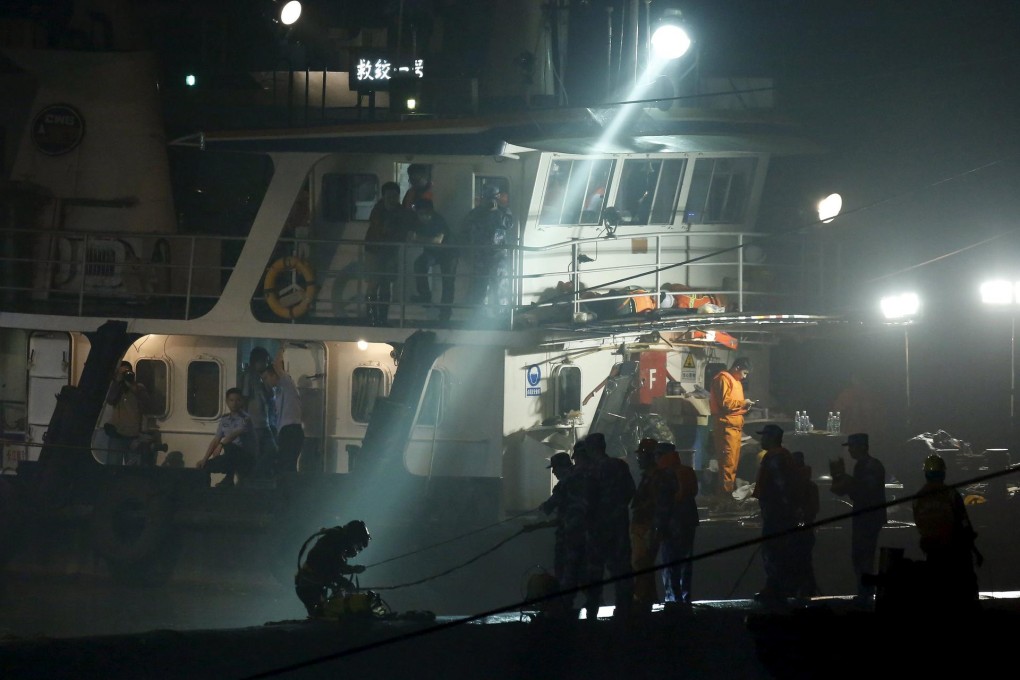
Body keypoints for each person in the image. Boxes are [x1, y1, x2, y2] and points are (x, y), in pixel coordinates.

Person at [574, 432, 636, 619]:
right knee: (621, 567)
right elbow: (631, 491)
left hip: (597, 527)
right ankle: (624, 604)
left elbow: (586, 498)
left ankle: (593, 604)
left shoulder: (591, 470)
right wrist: (618, 508)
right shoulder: (619, 466)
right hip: (619, 524)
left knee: (595, 567)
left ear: (591, 449)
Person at [912, 453, 982, 608]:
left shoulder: (918, 497)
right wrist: (975, 550)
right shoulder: (951, 494)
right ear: (943, 473)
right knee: (962, 587)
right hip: (953, 547)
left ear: (926, 474)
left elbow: (919, 523)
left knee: (936, 587)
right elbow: (963, 522)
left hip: (931, 548)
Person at [527, 451, 589, 617]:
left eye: (554, 468)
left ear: (562, 467)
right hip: (585, 535)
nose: (553, 472)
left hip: (569, 538)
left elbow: (549, 507)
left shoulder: (565, 484)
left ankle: (563, 609)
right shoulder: (582, 479)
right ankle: (593, 601)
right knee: (582, 571)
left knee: (566, 573)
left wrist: (538, 517)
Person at [829, 432, 887, 608]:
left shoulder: (867, 466)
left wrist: (844, 480)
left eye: (852, 447)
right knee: (863, 556)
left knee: (863, 556)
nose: (850, 451)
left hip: (867, 517)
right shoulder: (867, 465)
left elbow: (864, 492)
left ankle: (866, 593)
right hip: (868, 516)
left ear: (862, 447)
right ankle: (865, 591)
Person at [752, 424, 799, 605]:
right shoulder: (782, 456)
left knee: (773, 552)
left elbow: (782, 487)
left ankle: (775, 589)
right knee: (779, 551)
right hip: (780, 513)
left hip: (777, 514)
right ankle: (780, 588)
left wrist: (782, 510)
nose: (761, 440)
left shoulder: (775, 458)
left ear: (771, 438)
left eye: (764, 436)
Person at [652, 442, 700, 606]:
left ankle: (673, 600)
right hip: (689, 521)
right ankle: (685, 598)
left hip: (672, 524)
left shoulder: (664, 474)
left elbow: (663, 504)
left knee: (670, 563)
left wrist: (660, 526)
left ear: (661, 455)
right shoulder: (686, 470)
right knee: (685, 563)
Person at [294, 520, 371, 617]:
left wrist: (353, 569)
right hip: (309, 587)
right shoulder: (334, 544)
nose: (356, 550)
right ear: (353, 537)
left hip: (312, 585)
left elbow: (335, 567)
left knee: (326, 613)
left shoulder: (336, 542)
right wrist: (346, 584)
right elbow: (331, 572)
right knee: (322, 616)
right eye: (358, 545)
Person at [365, 181, 415, 326]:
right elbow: (381, 229)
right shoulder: (378, 211)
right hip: (374, 251)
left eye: (395, 195)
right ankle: (372, 319)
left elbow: (406, 226)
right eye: (390, 195)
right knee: (374, 282)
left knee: (386, 283)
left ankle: (382, 318)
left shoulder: (400, 211)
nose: (393, 198)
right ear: (383, 196)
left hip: (390, 251)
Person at [463, 183, 514, 319]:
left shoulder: (503, 212)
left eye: (494, 198)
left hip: (498, 254)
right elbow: (467, 229)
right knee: (481, 285)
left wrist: (496, 212)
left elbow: (509, 224)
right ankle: (480, 316)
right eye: (488, 198)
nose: (491, 201)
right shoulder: (475, 213)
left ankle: (502, 315)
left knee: (500, 284)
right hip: (480, 254)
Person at [710, 357, 753, 506]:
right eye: (744, 372)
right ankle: (724, 499)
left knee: (733, 464)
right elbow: (725, 403)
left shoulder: (737, 382)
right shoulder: (723, 379)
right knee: (727, 464)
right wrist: (743, 403)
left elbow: (733, 405)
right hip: (726, 427)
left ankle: (726, 496)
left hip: (734, 427)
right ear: (737, 367)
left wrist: (744, 407)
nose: (744, 376)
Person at [410, 198, 457, 323]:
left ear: (431, 212)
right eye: (421, 214)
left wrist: (419, 238)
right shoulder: (417, 221)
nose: (424, 217)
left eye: (426, 213)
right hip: (433, 252)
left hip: (449, 253)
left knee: (448, 282)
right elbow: (410, 236)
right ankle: (425, 296)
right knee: (419, 264)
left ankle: (445, 314)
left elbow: (437, 241)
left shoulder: (438, 220)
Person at [197, 387, 256, 487]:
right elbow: (216, 439)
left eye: (238, 400)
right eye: (231, 400)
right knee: (205, 466)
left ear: (242, 401)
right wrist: (205, 459)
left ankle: (228, 479)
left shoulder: (246, 418)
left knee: (230, 446)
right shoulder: (224, 419)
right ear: (227, 402)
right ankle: (205, 492)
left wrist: (221, 445)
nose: (234, 403)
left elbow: (234, 435)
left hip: (244, 457)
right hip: (229, 457)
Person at [260, 346, 304, 474]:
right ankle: (286, 491)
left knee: (286, 466)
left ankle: (287, 492)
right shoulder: (279, 390)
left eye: (266, 378)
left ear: (274, 375)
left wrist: (281, 345)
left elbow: (276, 364)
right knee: (285, 465)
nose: (265, 382)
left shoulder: (286, 383)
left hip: (291, 431)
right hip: (287, 431)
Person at [629, 437, 660, 610]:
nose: (639, 458)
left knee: (642, 563)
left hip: (645, 527)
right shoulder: (649, 476)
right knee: (643, 564)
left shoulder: (655, 477)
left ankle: (642, 599)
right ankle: (648, 598)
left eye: (642, 454)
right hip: (642, 526)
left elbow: (654, 503)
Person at [103, 360, 150, 465]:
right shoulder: (117, 388)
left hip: (134, 435)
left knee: (133, 467)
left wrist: (131, 385)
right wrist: (118, 380)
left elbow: (146, 404)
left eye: (128, 372)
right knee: (113, 466)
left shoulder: (139, 387)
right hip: (117, 434)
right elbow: (110, 400)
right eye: (123, 372)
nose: (126, 374)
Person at [242, 347, 277, 478]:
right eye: (264, 361)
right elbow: (245, 399)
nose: (266, 364)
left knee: (272, 450)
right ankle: (253, 477)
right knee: (257, 453)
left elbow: (270, 396)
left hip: (265, 422)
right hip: (254, 423)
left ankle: (257, 475)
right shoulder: (249, 377)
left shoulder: (263, 377)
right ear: (256, 361)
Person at [789, 450, 819, 599]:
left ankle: (802, 588)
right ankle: (807, 588)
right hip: (807, 529)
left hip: (799, 530)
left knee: (798, 560)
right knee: (804, 560)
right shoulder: (811, 485)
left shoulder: (794, 485)